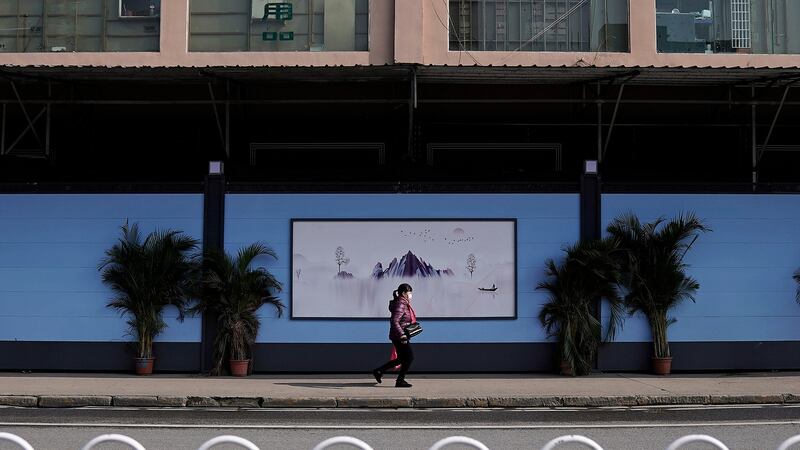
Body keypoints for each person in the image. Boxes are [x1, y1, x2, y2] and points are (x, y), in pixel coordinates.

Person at [372, 283, 416, 388]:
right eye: (409, 293)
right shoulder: (401, 304)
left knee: (402, 358)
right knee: (409, 357)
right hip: (399, 336)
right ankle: (400, 380)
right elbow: (394, 320)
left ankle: (379, 371)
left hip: (398, 335)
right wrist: (402, 334)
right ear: (404, 293)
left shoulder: (403, 302)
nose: (410, 295)